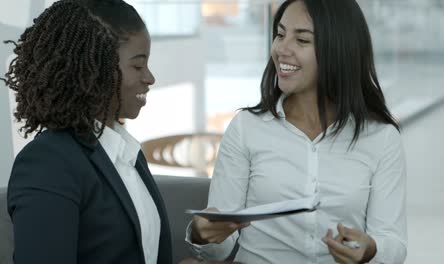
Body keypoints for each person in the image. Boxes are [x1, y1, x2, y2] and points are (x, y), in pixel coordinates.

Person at [186, 0, 407, 263]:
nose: (281, 49)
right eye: (280, 34)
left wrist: (371, 249)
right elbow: (218, 250)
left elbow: (392, 242)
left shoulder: (381, 138)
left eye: (301, 40)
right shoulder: (246, 128)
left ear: (338, 50)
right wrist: (202, 234)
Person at [2, 0, 173, 263]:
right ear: (96, 66)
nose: (150, 78)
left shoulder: (126, 153)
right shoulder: (48, 163)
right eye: (138, 66)